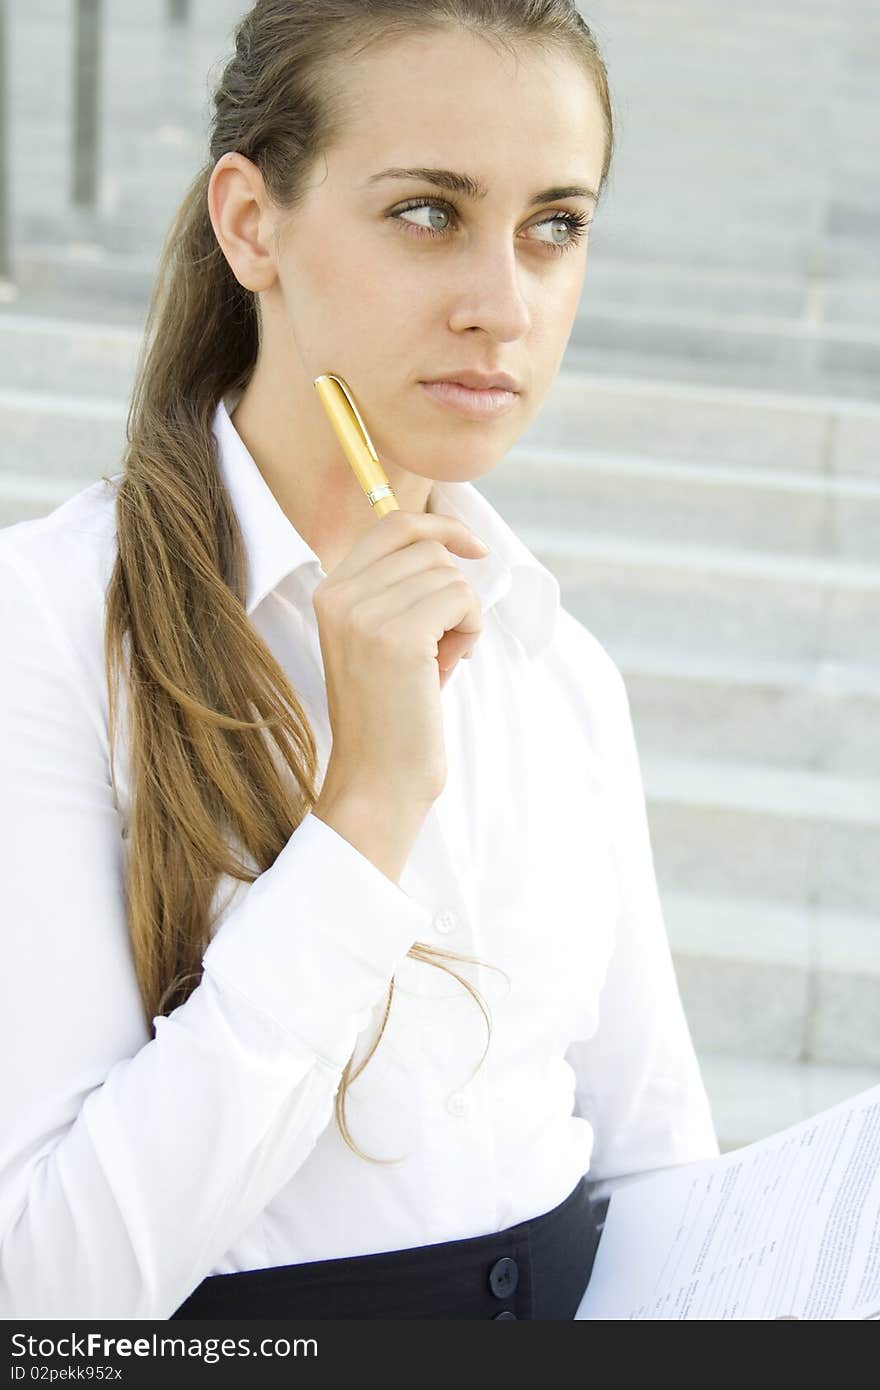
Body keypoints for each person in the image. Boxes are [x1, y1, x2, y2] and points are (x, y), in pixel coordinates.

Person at [0, 0, 720, 1321]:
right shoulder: (46, 629)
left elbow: (660, 1160)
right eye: (428, 212)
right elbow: (48, 1294)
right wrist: (366, 810)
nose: (504, 306)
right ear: (249, 221)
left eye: (553, 225)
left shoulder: (558, 665)